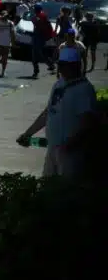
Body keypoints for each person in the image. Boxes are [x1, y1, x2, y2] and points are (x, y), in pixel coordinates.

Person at [16, 47, 99, 180]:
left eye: (63, 66)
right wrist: (28, 134)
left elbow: (87, 122)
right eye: (60, 65)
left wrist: (69, 146)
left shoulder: (84, 90)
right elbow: (48, 112)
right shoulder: (59, 85)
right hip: (52, 149)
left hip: (70, 152)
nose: (60, 69)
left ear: (75, 66)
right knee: (47, 187)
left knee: (66, 190)